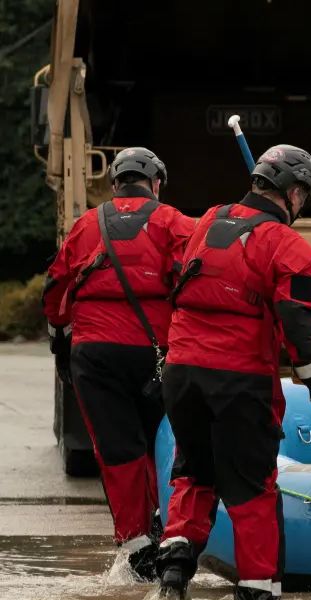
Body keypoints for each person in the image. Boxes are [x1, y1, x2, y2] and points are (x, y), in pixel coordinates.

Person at [155, 145, 311, 600]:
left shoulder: (206, 222)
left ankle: (174, 572)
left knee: (194, 471)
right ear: (293, 192)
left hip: (181, 372)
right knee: (253, 487)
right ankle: (257, 588)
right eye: (305, 197)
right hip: (238, 378)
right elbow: (299, 326)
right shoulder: (291, 247)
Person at [41, 147, 194, 580]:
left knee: (117, 448)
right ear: (156, 184)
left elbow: (55, 287)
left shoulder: (87, 225)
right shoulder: (174, 223)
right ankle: (170, 528)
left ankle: (135, 544)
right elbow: (195, 279)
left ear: (114, 185)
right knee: (162, 443)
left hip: (95, 353)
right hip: (158, 353)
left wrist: (58, 340)